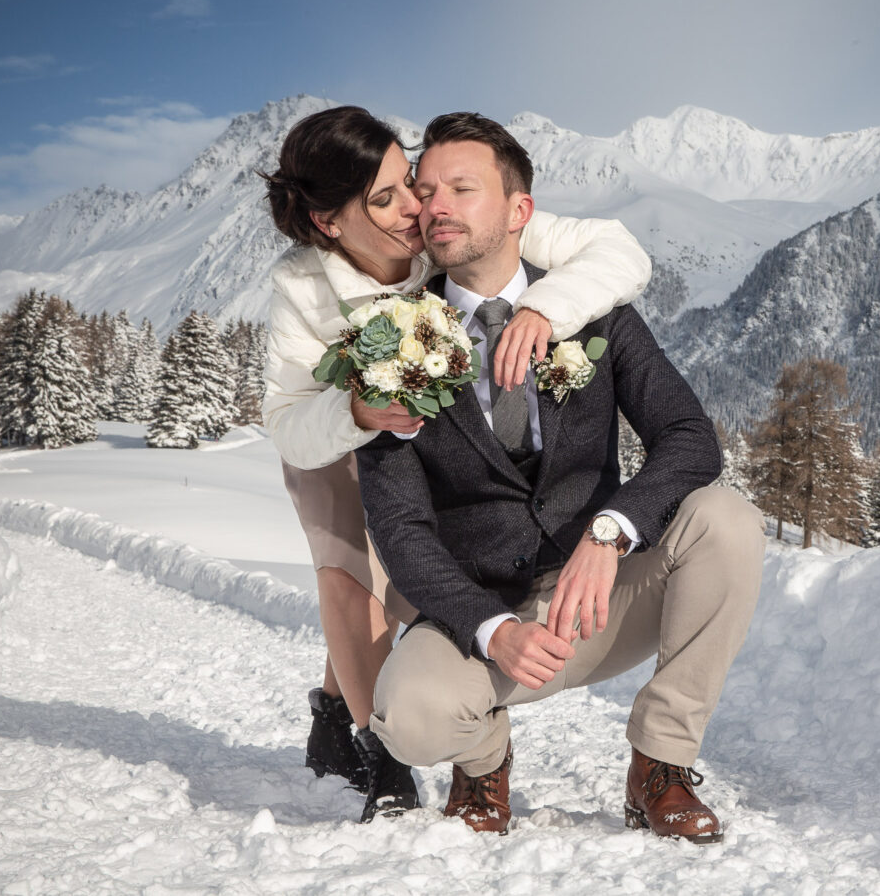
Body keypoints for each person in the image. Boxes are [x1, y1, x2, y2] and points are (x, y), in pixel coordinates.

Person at [356, 113, 764, 842]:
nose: (436, 204)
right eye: (425, 190)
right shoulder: (391, 342)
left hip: (600, 603)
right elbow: (399, 527)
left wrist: (611, 532)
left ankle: (659, 768)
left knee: (726, 520)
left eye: (461, 187)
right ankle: (482, 762)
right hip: (482, 620)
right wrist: (489, 627)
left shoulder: (590, 309)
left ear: (520, 211)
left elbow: (690, 438)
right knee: (411, 718)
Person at [260, 106, 652, 821]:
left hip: (426, 432)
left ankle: (331, 704)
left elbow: (621, 252)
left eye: (406, 179)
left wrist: (544, 310)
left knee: (414, 577)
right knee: (354, 577)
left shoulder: (453, 225)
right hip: (332, 440)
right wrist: (356, 410)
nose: (418, 206)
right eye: (385, 199)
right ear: (328, 223)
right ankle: (383, 755)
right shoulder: (302, 290)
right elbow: (287, 420)